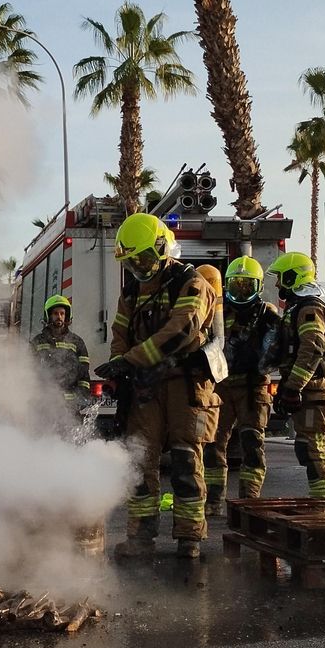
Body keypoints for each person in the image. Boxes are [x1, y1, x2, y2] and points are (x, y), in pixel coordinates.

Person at [94, 213, 221, 560]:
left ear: (163, 249)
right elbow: (120, 336)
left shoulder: (191, 283)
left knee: (184, 459)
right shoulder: (132, 291)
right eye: (133, 261)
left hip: (185, 385)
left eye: (145, 258)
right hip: (146, 388)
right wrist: (121, 368)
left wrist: (131, 360)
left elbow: (182, 330)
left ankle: (189, 537)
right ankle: (140, 537)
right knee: (140, 461)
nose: (139, 266)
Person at [205, 255, 282, 511]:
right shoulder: (220, 312)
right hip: (222, 385)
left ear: (257, 287)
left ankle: (249, 502)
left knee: (252, 442)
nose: (240, 290)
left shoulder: (267, 314)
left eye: (246, 285)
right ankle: (213, 501)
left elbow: (276, 349)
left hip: (253, 386)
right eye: (236, 284)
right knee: (214, 442)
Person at [268, 251, 325, 501]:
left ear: (294, 277)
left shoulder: (309, 308)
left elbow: (312, 348)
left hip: (314, 387)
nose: (278, 284)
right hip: (309, 387)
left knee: (312, 446)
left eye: (281, 277)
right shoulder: (299, 307)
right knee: (311, 444)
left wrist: (292, 387)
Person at [30, 294, 91, 401]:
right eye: (55, 313)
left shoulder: (77, 342)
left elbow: (84, 373)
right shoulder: (37, 341)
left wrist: (82, 396)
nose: (59, 317)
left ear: (66, 316)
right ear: (48, 316)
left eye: (62, 313)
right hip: (45, 402)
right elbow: (29, 370)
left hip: (71, 404)